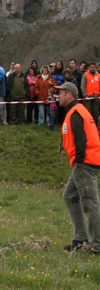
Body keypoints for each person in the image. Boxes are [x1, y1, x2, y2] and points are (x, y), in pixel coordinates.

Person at [54, 82, 100, 254]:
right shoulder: (77, 111)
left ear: (70, 95)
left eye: (61, 93)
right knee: (70, 196)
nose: (58, 96)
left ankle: (96, 246)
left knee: (90, 203)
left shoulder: (75, 113)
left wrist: (80, 161)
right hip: (84, 162)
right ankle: (80, 238)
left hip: (85, 163)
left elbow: (81, 139)